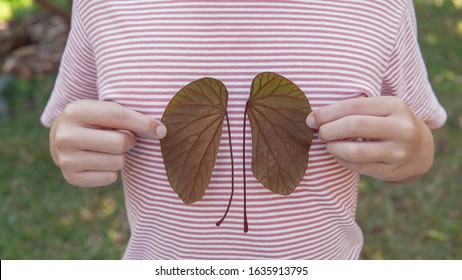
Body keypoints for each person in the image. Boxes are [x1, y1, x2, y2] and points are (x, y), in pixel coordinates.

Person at [41, 0, 446, 259]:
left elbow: (416, 132)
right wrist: (69, 142)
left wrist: (415, 153)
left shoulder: (379, 7)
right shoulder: (103, 6)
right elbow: (69, 120)